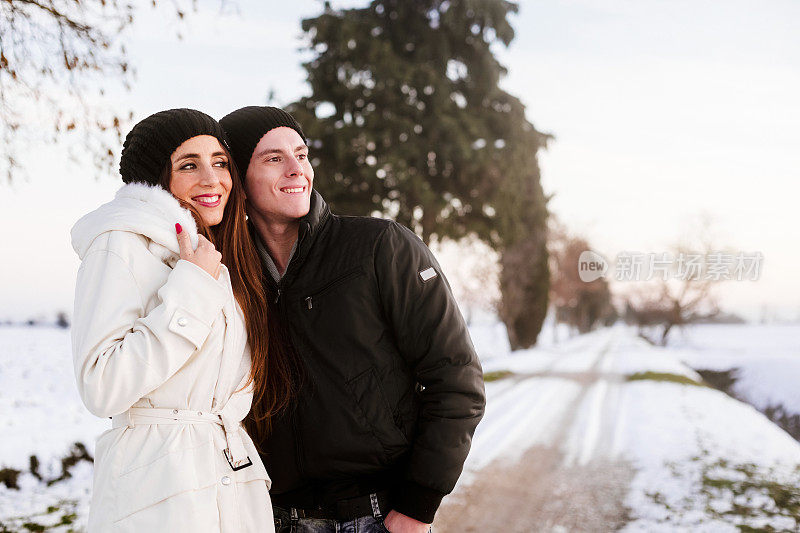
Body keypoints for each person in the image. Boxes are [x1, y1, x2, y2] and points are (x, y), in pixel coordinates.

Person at [220, 106, 486, 533]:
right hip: (269, 517)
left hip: (376, 516)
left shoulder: (380, 247)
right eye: (273, 158)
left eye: (302, 155)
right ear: (238, 179)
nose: (296, 169)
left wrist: (418, 505)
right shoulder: (227, 278)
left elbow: (456, 380)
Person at [70, 109, 287, 532]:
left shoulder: (209, 255)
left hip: (231, 483)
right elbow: (102, 386)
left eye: (220, 162)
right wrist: (190, 290)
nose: (212, 178)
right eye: (189, 164)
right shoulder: (120, 244)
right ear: (156, 178)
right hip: (159, 494)